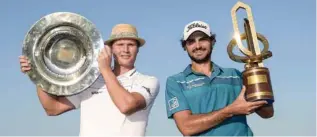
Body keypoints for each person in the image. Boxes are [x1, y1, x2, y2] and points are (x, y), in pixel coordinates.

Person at [19, 24, 160, 136]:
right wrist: (39, 75)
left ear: (138, 49)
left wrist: (104, 69)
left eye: (131, 45)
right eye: (120, 44)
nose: (125, 50)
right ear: (110, 49)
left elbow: (126, 106)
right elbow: (52, 108)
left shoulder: (148, 81)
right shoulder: (91, 80)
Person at [164, 20, 274, 136]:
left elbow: (267, 113)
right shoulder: (176, 82)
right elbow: (186, 127)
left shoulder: (235, 75)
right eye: (191, 41)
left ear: (212, 42)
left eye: (203, 39)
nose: (198, 46)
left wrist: (258, 76)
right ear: (185, 46)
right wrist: (231, 110)